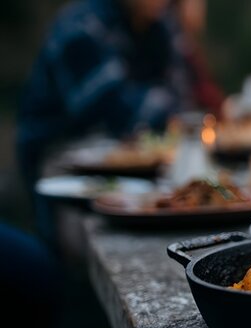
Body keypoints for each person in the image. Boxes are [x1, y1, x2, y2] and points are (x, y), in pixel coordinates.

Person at [16, 0, 190, 188]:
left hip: (131, 160)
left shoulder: (160, 26)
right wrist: (170, 115)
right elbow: (113, 109)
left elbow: (180, 96)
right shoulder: (81, 25)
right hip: (60, 157)